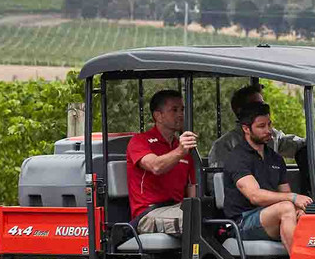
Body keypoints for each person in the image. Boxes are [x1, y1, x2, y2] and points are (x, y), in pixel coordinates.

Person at [223, 102, 310, 248]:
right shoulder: (237, 158)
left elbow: (285, 192)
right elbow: (255, 196)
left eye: (269, 124)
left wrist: (299, 210)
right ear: (246, 129)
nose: (268, 130)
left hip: (270, 216)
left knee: (306, 215)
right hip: (242, 222)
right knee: (287, 208)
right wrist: (293, 198)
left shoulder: (275, 158)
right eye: (261, 126)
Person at [125, 89, 198, 234]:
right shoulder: (140, 141)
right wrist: (180, 152)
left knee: (210, 217)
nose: (181, 114)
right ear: (158, 115)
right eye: (174, 110)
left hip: (177, 208)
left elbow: (192, 187)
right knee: (192, 220)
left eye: (182, 109)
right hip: (149, 214)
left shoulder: (182, 146)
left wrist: (197, 207)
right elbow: (156, 166)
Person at [207, 82, 305, 168]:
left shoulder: (272, 137)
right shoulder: (223, 146)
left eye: (263, 105)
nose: (262, 109)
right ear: (241, 112)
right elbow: (217, 182)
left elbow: (298, 145)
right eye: (256, 106)